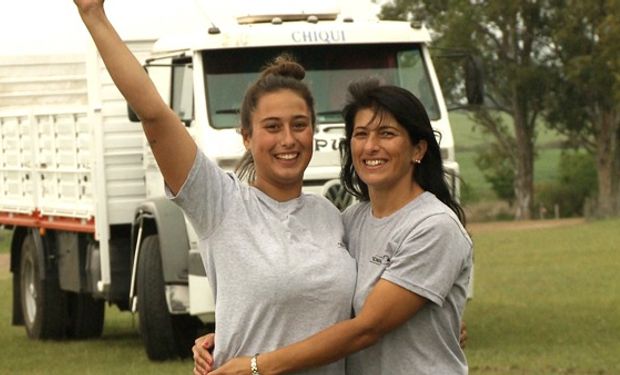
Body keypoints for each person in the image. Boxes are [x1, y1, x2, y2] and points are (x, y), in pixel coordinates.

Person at [74, 1, 357, 374]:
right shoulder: (220, 204)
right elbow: (154, 113)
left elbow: (365, 317)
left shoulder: (333, 217)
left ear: (313, 131)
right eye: (272, 127)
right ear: (246, 137)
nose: (288, 139)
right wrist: (94, 16)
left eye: (299, 124)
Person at [199, 80, 473, 375]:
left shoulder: (434, 227)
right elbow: (325, 300)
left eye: (387, 133)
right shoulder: (349, 221)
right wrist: (233, 337)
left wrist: (256, 365)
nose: (371, 146)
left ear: (417, 149)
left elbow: (366, 328)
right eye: (361, 134)